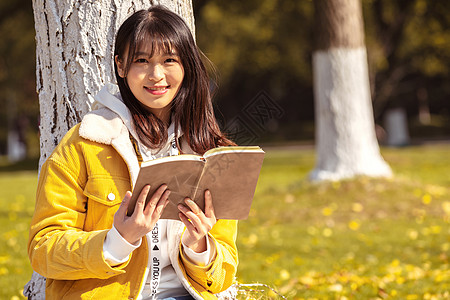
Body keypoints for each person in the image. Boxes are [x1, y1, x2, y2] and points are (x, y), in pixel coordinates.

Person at [28, 5, 238, 300]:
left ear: (186, 67)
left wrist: (198, 244)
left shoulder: (209, 149)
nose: (156, 75)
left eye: (169, 60)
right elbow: (42, 249)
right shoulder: (86, 142)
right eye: (142, 60)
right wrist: (117, 241)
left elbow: (226, 264)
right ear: (121, 66)